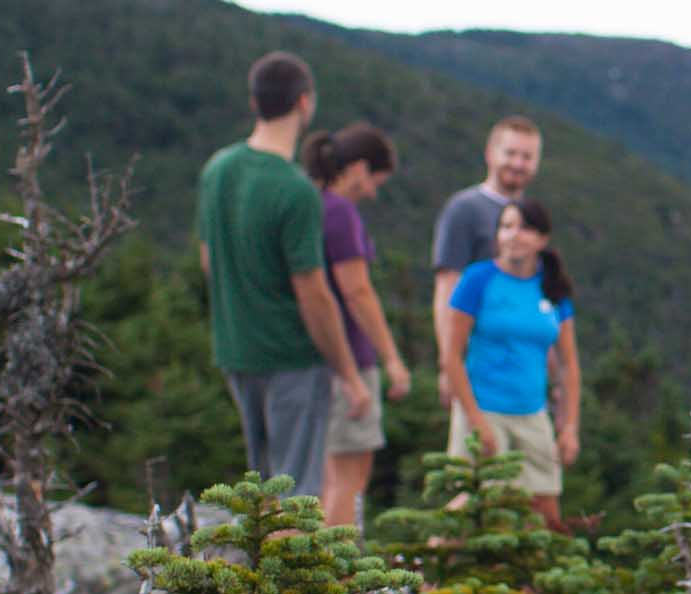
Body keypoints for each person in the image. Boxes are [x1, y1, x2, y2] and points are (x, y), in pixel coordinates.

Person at [192, 52, 370, 501]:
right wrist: (349, 373)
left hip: (236, 352)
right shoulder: (296, 190)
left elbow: (208, 261)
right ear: (304, 103)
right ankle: (287, 574)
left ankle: (256, 570)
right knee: (295, 492)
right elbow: (314, 294)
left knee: (261, 487)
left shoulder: (217, 170)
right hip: (291, 358)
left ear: (255, 102)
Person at [438, 195, 578, 521]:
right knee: (471, 508)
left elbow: (569, 365)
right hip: (483, 408)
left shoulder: (552, 287)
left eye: (525, 228)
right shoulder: (478, 279)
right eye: (507, 226)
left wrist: (570, 426)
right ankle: (421, 568)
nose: (514, 235)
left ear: (542, 239)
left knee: (543, 510)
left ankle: (529, 574)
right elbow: (451, 354)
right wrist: (474, 419)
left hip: (532, 414)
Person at [303, 120, 412, 528]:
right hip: (349, 357)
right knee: (349, 477)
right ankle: (336, 579)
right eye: (375, 180)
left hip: (310, 357)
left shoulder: (308, 204)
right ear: (360, 168)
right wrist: (392, 358)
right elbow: (357, 291)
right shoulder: (341, 212)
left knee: (320, 476)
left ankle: (309, 570)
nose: (374, 191)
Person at [430, 113, 543, 294]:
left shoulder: (534, 215)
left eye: (527, 157)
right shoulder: (464, 208)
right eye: (510, 153)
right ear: (490, 154)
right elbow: (448, 283)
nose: (518, 164)